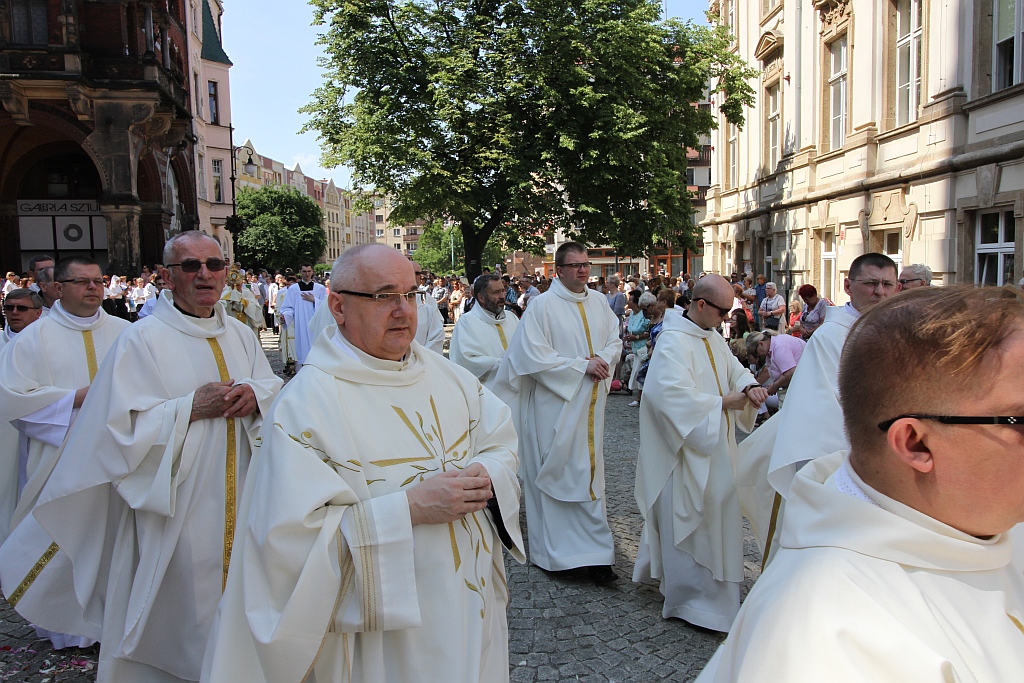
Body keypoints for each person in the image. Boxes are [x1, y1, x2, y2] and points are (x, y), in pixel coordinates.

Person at [202, 244, 524, 682]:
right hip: (384, 631)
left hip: (468, 601)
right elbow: (286, 542)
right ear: (338, 306)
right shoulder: (306, 404)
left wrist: (489, 472)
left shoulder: (448, 376)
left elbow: (500, 439)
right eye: (384, 296)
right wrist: (407, 510)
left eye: (411, 295)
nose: (403, 311)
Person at [696, 285, 1024, 682]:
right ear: (916, 443)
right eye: (1017, 421)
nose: (880, 290)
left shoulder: (989, 521)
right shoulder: (833, 635)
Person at [0, 232, 282, 681]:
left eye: (214, 264)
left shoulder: (243, 335)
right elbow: (114, 429)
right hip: (173, 497)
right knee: (183, 601)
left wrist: (257, 393)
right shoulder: (142, 340)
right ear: (168, 277)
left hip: (242, 485)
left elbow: (271, 387)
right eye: (190, 266)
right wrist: (188, 408)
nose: (204, 275)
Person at [0, 257, 132, 649]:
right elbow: (11, 400)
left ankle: (115, 619)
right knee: (63, 535)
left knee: (115, 538)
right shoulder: (33, 339)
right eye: (81, 282)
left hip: (117, 455)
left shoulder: (128, 333)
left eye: (98, 281)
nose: (92, 288)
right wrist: (73, 400)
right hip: (56, 459)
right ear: (57, 287)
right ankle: (65, 625)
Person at [633, 275, 768, 631]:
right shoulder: (673, 341)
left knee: (719, 517)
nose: (726, 318)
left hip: (716, 447)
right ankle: (691, 599)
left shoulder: (710, 336)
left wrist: (749, 386)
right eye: (722, 311)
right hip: (685, 453)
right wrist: (723, 403)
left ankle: (718, 597)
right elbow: (665, 397)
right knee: (692, 520)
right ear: (702, 305)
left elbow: (734, 370)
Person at [759, 253, 900, 561]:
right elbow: (819, 408)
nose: (880, 292)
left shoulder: (895, 333)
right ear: (848, 286)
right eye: (871, 283)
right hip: (844, 461)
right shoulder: (831, 336)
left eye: (888, 284)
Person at [497, 242, 621, 585]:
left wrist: (604, 361)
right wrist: (580, 366)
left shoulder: (599, 303)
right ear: (560, 270)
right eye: (576, 265)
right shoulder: (542, 307)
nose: (584, 271)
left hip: (589, 407)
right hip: (554, 408)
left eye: (587, 265)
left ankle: (597, 556)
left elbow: (615, 339)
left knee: (589, 475)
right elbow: (530, 356)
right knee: (556, 474)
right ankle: (557, 556)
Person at [0, 288, 43, 542]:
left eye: (22, 308)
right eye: (9, 308)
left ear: (38, 312)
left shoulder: (48, 342)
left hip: (41, 426)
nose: (14, 313)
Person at [449, 273, 520, 392]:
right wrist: (505, 364)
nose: (503, 296)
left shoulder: (511, 318)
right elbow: (465, 360)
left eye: (503, 290)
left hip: (518, 389)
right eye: (496, 292)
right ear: (481, 297)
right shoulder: (467, 322)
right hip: (488, 393)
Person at [280, 262, 327, 370]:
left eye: (309, 271)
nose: (307, 274)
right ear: (300, 272)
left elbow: (326, 305)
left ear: (312, 272)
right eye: (304, 271)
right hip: (301, 325)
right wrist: (285, 316)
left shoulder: (320, 288)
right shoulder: (294, 289)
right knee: (303, 350)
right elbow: (288, 307)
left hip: (316, 324)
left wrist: (314, 300)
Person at [622, 291, 653, 400]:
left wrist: (636, 337)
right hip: (635, 348)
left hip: (643, 347)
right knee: (635, 369)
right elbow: (631, 329)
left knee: (640, 371)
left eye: (630, 299)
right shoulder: (631, 314)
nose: (628, 301)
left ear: (635, 303)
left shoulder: (644, 314)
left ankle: (640, 397)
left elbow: (648, 332)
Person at [412, 262, 446, 353]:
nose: (416, 277)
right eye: (412, 273)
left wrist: (423, 355)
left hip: (425, 354)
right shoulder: (391, 297)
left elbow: (437, 329)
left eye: (418, 274)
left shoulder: (427, 299)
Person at [220, 265, 262, 336]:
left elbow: (257, 310)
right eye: (233, 285)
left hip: (247, 327)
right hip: (231, 330)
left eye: (238, 285)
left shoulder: (247, 293)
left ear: (242, 283)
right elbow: (220, 309)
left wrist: (245, 304)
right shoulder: (224, 295)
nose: (236, 288)